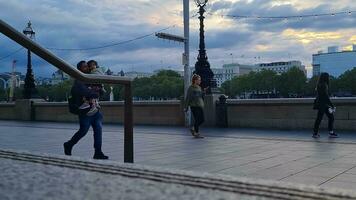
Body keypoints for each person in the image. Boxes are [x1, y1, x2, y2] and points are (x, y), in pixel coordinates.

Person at [63, 60, 109, 159]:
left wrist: (97, 90)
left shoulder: (91, 79)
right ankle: (69, 144)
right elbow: (90, 93)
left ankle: (98, 152)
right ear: (79, 70)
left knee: (98, 131)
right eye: (84, 67)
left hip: (96, 110)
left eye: (87, 66)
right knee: (83, 131)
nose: (87, 68)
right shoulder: (78, 82)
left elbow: (102, 93)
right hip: (85, 112)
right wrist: (95, 91)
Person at [313, 72, 338, 138]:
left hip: (321, 104)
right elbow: (326, 97)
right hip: (323, 105)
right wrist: (332, 105)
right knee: (331, 117)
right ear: (326, 78)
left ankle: (315, 133)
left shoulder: (319, 84)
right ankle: (331, 132)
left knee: (319, 119)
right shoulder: (324, 85)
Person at [184, 74, 205, 138]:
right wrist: (186, 107)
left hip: (200, 105)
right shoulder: (191, 88)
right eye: (199, 80)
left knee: (202, 119)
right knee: (197, 119)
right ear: (195, 80)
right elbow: (188, 98)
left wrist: (204, 92)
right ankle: (196, 133)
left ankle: (193, 128)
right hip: (194, 106)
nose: (200, 81)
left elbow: (200, 96)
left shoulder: (199, 87)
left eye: (200, 80)